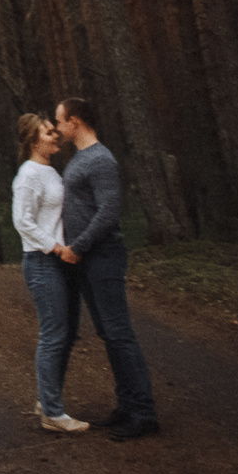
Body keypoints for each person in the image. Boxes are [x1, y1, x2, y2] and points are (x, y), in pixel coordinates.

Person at [54, 95, 160, 441]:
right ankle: (127, 405)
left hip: (103, 257)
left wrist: (78, 247)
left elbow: (109, 212)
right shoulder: (81, 158)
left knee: (119, 333)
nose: (57, 128)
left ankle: (144, 414)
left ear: (76, 122)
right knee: (108, 334)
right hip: (86, 259)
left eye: (60, 121)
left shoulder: (100, 160)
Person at [11, 113, 85, 433]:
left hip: (62, 262)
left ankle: (47, 398)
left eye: (55, 132)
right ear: (32, 140)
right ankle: (52, 414)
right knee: (54, 335)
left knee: (65, 333)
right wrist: (55, 247)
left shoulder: (50, 171)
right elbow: (22, 222)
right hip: (43, 263)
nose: (56, 136)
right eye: (48, 132)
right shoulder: (28, 175)